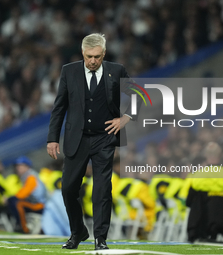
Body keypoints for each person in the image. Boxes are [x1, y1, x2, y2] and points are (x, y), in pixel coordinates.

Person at [47, 33, 141, 250]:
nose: (93, 61)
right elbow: (59, 107)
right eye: (89, 56)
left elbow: (141, 94)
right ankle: (78, 231)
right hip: (76, 139)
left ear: (104, 53)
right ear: (83, 53)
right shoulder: (68, 71)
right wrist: (52, 138)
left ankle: (100, 238)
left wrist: (125, 118)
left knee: (102, 189)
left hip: (104, 138)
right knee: (69, 189)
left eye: (97, 57)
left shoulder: (116, 70)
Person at [7, 156, 47, 233]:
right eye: (17, 166)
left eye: (20, 166)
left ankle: (23, 227)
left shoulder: (31, 176)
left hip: (40, 205)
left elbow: (23, 194)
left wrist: (11, 198)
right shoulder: (26, 176)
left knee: (17, 203)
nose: (17, 168)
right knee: (14, 201)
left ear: (27, 166)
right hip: (36, 203)